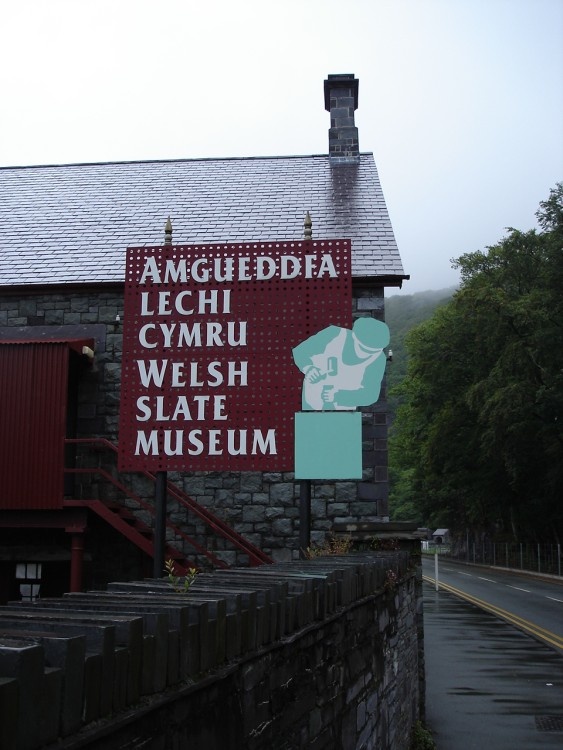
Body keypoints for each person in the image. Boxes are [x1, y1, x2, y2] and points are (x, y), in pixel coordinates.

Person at [292, 317, 390, 411]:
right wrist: (308, 368)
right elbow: (301, 351)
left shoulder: (379, 359)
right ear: (353, 336)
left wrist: (338, 396)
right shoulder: (333, 334)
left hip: (345, 411)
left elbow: (370, 395)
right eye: (363, 348)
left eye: (373, 352)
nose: (366, 354)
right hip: (312, 403)